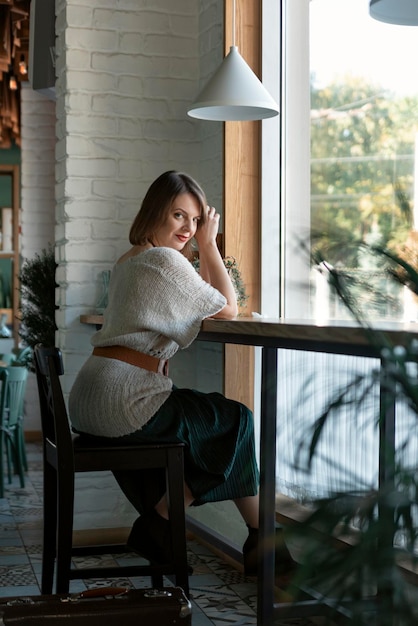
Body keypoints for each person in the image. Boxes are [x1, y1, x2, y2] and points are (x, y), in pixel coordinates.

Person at [69, 170, 294, 577]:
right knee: (236, 420)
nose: (188, 229)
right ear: (154, 212)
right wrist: (209, 244)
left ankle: (242, 537)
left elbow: (192, 303)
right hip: (124, 400)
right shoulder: (162, 259)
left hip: (93, 398)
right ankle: (173, 523)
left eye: (195, 221)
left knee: (218, 426)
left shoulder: (130, 259)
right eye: (178, 216)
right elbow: (229, 308)